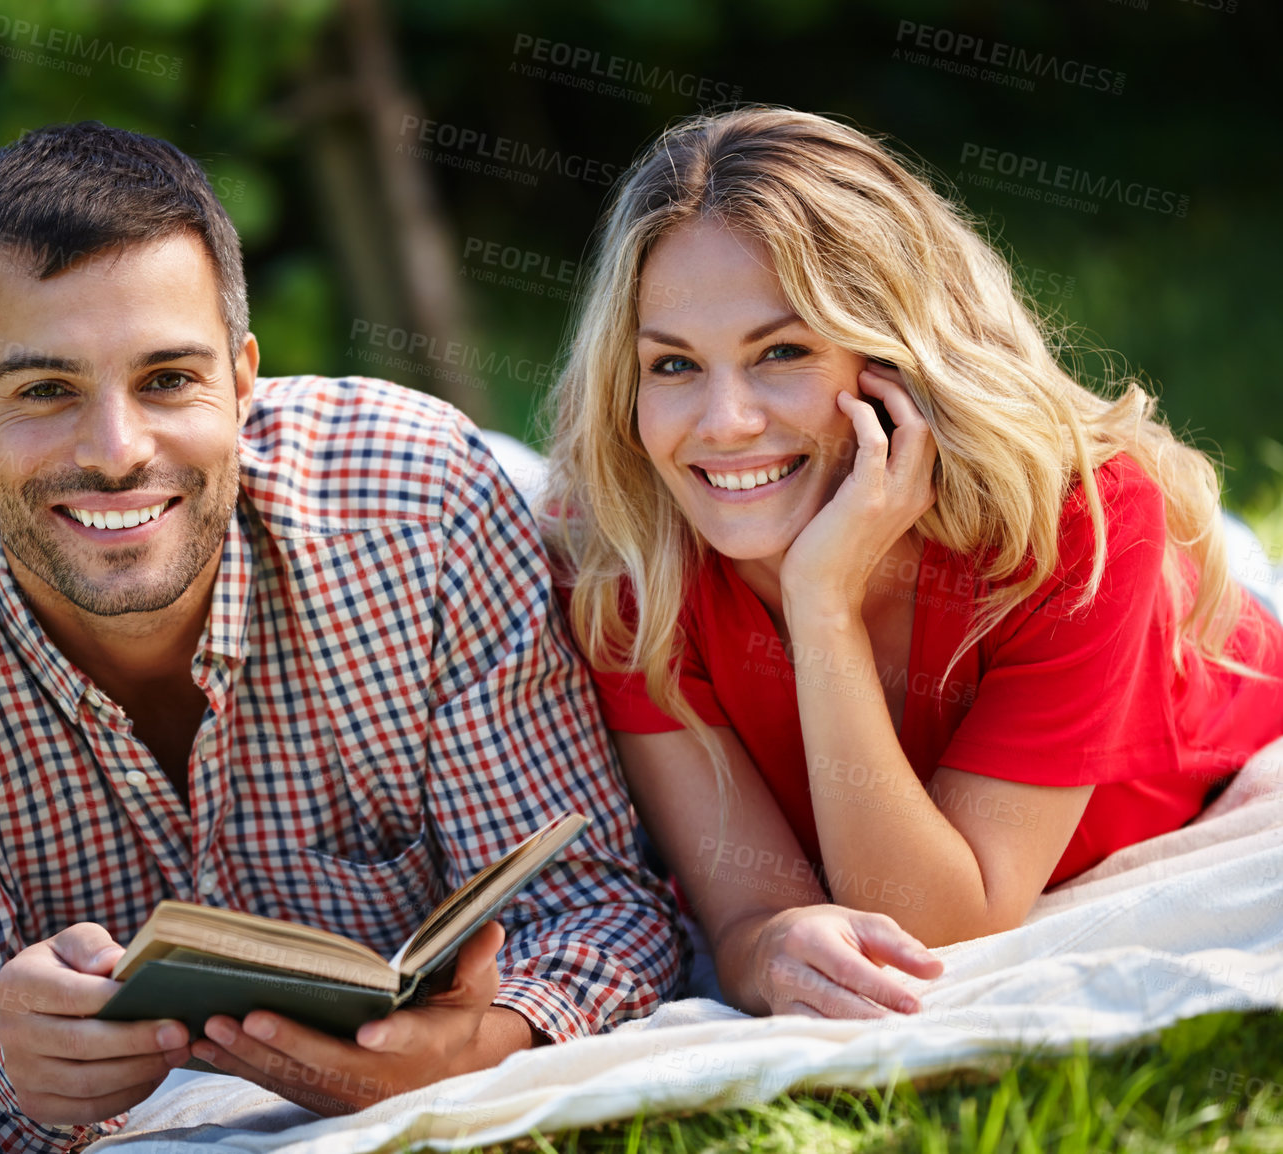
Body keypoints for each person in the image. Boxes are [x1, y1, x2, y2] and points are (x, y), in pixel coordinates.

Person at [0, 122, 681, 1154]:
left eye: (166, 379)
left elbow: (598, 905)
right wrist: (4, 1065)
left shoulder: (431, 515)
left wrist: (479, 1045)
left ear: (242, 381)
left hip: (482, 504)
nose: (116, 451)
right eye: (45, 390)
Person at [540, 107, 1283, 1021]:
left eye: (783, 352)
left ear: (896, 360)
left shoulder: (1084, 519)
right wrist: (771, 948)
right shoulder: (630, 561)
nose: (724, 422)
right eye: (674, 367)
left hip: (1209, 714)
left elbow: (931, 929)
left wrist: (822, 603)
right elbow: (747, 917)